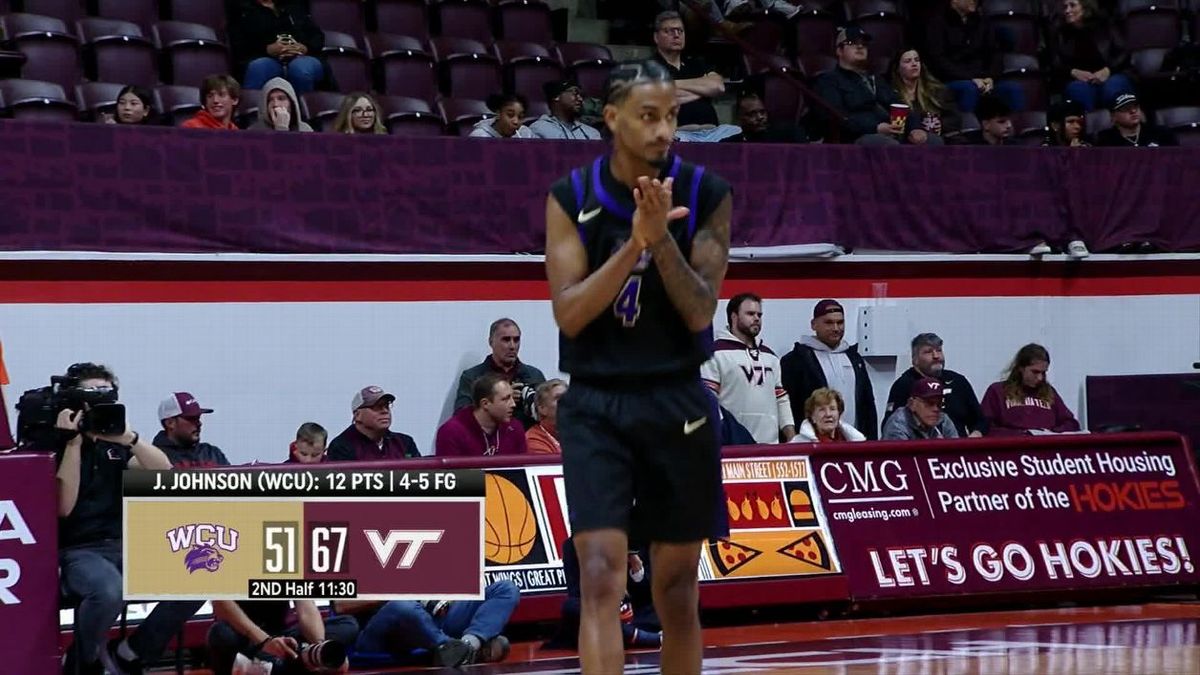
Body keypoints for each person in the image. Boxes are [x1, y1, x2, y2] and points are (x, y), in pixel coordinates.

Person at [544, 59, 732, 674]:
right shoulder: (570, 196)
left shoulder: (707, 191)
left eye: (672, 116)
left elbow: (701, 310)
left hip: (677, 399)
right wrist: (634, 243)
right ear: (613, 117)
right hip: (596, 403)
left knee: (676, 590)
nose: (663, 131)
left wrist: (663, 242)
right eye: (649, 116)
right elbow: (569, 315)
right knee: (599, 576)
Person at [982, 343, 1082, 435]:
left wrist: (1050, 433)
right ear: (1021, 368)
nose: (1040, 378)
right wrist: (1022, 435)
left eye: (1043, 372)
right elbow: (986, 427)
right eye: (1035, 372)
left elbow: (1071, 423)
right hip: (1013, 447)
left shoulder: (1049, 392)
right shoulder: (998, 391)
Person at [881, 377, 960, 440]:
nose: (936, 409)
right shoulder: (898, 424)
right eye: (929, 403)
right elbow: (901, 458)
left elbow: (957, 453)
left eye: (939, 404)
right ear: (912, 404)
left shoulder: (943, 420)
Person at [791, 387, 866, 443]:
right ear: (812, 417)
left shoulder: (856, 441)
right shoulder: (797, 444)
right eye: (822, 410)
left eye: (832, 409)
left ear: (839, 413)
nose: (828, 414)